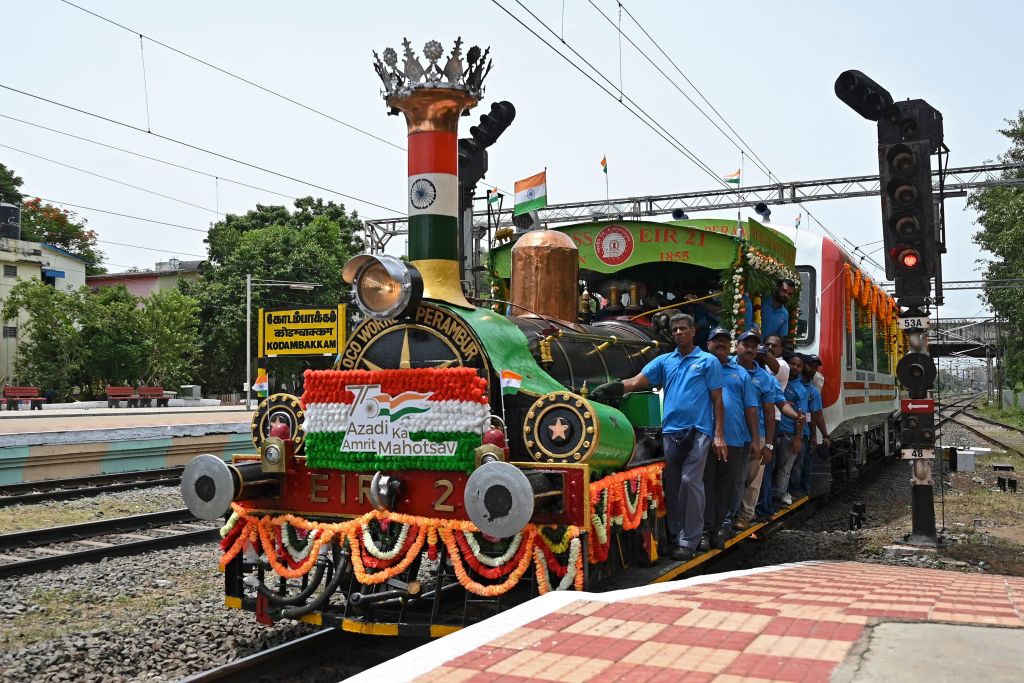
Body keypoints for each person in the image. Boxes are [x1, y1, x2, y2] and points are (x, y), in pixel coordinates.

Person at [590, 313, 726, 561]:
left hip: (699, 430)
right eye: (674, 330)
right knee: (672, 485)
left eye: (683, 328)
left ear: (693, 330)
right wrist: (612, 388)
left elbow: (718, 400)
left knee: (689, 481)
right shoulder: (664, 361)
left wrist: (718, 435)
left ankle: (690, 539)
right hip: (671, 430)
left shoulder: (708, 362)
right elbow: (636, 382)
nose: (678, 333)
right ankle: (675, 537)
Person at [736, 333, 803, 528]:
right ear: (738, 346)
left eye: (754, 346)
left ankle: (745, 515)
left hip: (759, 432)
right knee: (735, 478)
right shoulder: (724, 367)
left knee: (753, 479)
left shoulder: (767, 376)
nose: (750, 349)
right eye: (745, 345)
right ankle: (729, 516)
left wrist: (794, 416)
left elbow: (779, 404)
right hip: (733, 433)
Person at [701, 327, 759, 551]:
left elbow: (751, 408)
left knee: (725, 487)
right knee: (705, 485)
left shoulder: (740, 373)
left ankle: (717, 529)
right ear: (708, 344)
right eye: (717, 341)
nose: (721, 345)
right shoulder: (702, 366)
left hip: (734, 439)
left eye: (725, 341)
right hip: (705, 437)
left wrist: (755, 439)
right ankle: (705, 531)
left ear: (731, 346)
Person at [772, 353, 810, 508]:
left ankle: (778, 497)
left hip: (790, 434)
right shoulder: (779, 382)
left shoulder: (801, 390)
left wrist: (798, 438)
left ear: (801, 369)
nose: (794, 367)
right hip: (775, 431)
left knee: (784, 469)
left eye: (798, 365)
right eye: (792, 363)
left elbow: (801, 416)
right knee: (772, 467)